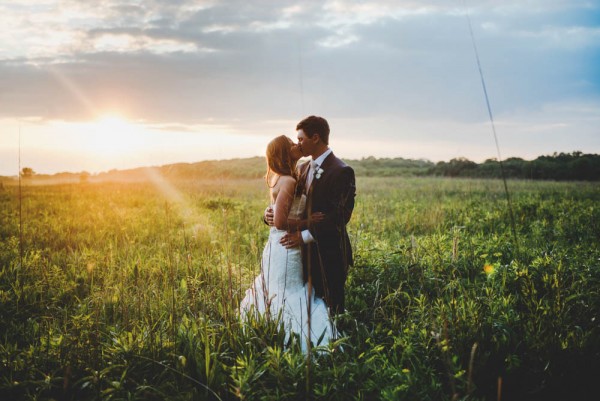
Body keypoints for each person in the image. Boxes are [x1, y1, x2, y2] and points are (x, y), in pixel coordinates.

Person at [240, 135, 335, 352]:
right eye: (291, 143)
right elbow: (281, 222)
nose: (296, 145)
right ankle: (292, 339)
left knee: (279, 289)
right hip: (285, 245)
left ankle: (271, 334)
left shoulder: (286, 176)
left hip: (279, 245)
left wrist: (269, 213)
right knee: (288, 291)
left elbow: (276, 213)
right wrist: (308, 222)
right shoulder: (289, 180)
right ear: (285, 152)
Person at [274, 116, 356, 316]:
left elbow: (340, 216)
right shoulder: (302, 168)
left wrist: (302, 236)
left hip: (329, 253)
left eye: (301, 139)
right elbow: (287, 204)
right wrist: (269, 213)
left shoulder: (342, 171)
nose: (298, 144)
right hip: (302, 257)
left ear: (316, 138)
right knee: (307, 309)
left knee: (332, 310)